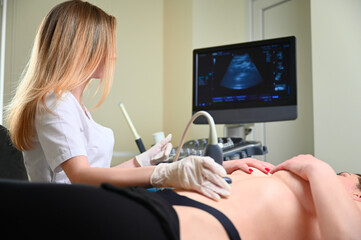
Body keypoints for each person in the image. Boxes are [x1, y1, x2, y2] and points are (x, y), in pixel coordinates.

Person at [5, 0, 273, 200]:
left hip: (88, 204)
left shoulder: (72, 106)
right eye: (110, 46)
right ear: (85, 49)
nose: (114, 56)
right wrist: (164, 173)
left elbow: (98, 176)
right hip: (71, 217)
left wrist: (142, 162)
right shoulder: (55, 102)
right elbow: (82, 177)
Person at [156, 154, 361, 240]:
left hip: (187, 226)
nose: (335, 175)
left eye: (342, 176)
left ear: (358, 195)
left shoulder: (351, 215)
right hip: (162, 200)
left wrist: (317, 168)